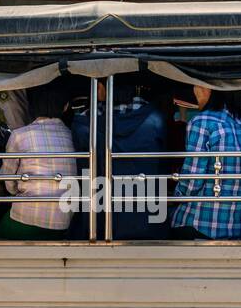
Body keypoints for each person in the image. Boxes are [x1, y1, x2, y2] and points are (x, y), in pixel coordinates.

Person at [70, 76, 169, 239]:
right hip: (147, 217)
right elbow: (162, 164)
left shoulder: (83, 124)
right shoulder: (155, 119)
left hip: (98, 217)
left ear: (101, 88)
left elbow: (80, 168)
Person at [169, 85, 241, 240]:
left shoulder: (202, 121)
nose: (195, 90)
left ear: (208, 89)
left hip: (199, 225)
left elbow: (192, 181)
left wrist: (173, 197)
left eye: (196, 85)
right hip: (239, 227)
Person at [0, 82, 78, 240]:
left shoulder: (19, 135)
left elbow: (9, 184)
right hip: (63, 224)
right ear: (66, 107)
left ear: (30, 107)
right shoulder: (72, 135)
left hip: (26, 220)